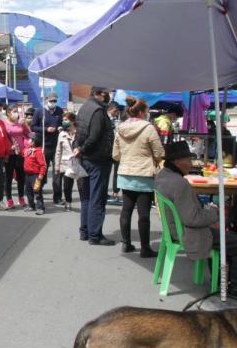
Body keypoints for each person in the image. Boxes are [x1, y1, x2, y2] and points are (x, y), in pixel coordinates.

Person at [155, 141, 237, 298]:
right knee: (232, 240)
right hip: (187, 233)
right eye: (189, 160)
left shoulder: (163, 176)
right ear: (178, 162)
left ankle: (221, 280)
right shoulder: (180, 184)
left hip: (174, 229)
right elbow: (192, 219)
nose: (191, 164)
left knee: (223, 235)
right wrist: (215, 212)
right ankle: (232, 287)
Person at [113, 99, 165, 257]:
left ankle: (126, 243)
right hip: (144, 174)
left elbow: (115, 155)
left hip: (125, 174)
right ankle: (145, 247)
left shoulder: (120, 128)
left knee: (126, 211)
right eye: (147, 110)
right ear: (142, 112)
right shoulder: (148, 128)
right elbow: (159, 153)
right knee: (144, 214)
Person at [73, 86, 115, 246]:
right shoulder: (98, 110)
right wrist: (82, 149)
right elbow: (95, 136)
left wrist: (79, 149)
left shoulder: (84, 107)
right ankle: (95, 234)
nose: (109, 97)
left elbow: (79, 133)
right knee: (97, 198)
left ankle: (85, 231)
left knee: (86, 198)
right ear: (100, 94)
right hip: (97, 159)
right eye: (107, 94)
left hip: (86, 158)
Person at [32, 93, 64, 206]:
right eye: (51, 101)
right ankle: (38, 194)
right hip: (43, 145)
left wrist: (61, 127)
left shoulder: (59, 111)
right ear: (46, 100)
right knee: (42, 172)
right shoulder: (39, 111)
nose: (53, 103)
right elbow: (33, 127)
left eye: (55, 101)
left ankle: (57, 197)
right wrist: (46, 129)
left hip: (56, 146)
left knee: (57, 172)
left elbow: (61, 124)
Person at [4, 105, 30, 208]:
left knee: (21, 177)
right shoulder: (4, 124)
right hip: (10, 154)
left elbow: (28, 134)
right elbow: (3, 138)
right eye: (14, 111)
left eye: (17, 111)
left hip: (21, 153)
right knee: (9, 177)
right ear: (8, 113)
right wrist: (10, 146)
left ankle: (21, 197)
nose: (16, 114)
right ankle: (9, 199)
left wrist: (26, 125)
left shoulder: (20, 123)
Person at [54, 112, 77, 212]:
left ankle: (86, 202)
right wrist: (57, 166)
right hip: (66, 164)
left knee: (82, 185)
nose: (64, 122)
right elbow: (58, 151)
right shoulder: (61, 135)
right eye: (63, 120)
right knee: (67, 185)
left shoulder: (79, 133)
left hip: (78, 163)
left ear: (72, 121)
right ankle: (68, 202)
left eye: (66, 120)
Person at [24, 133, 46, 215]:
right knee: (28, 191)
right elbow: (22, 153)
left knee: (37, 191)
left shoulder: (39, 152)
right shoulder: (28, 150)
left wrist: (41, 175)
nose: (29, 140)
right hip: (27, 175)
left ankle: (40, 207)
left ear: (35, 141)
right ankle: (31, 205)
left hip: (35, 175)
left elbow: (43, 165)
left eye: (31, 139)